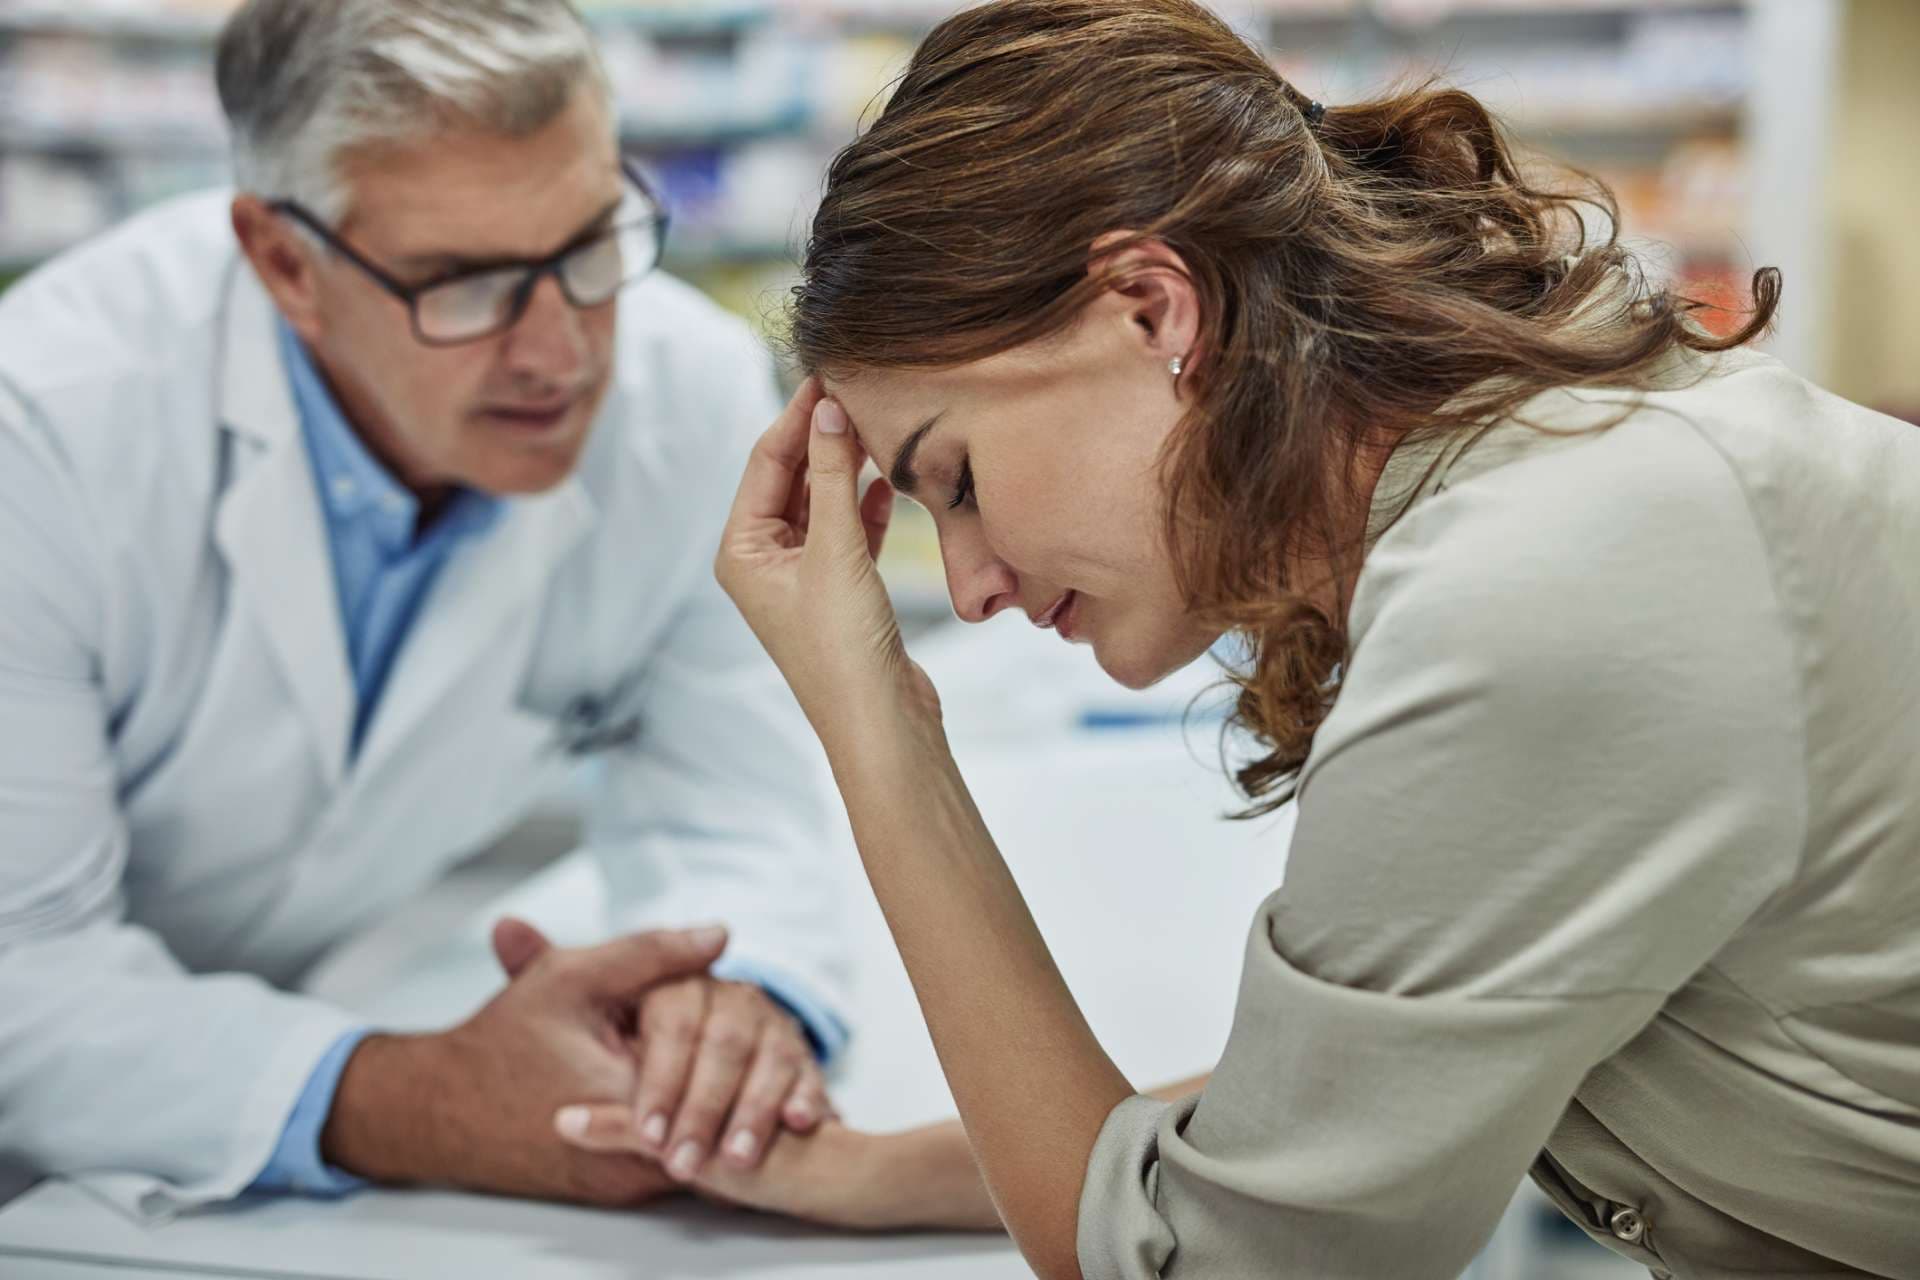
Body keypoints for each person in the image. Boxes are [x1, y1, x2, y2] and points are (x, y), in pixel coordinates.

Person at [552, 1, 1920, 1276]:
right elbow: (1364, 1093)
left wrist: (879, 723)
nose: (967, 588)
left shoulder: (1545, 585)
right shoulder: (1550, 478)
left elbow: (1218, 1258)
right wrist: (853, 1173)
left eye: (956, 479)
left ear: (1155, 309)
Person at [0, 0, 850, 1219]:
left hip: (292, 1046)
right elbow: (21, 970)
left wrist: (729, 1001)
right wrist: (419, 1097)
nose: (561, 352)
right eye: (467, 283)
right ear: (285, 263)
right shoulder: (44, 427)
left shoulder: (684, 393)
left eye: (590, 242)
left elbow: (737, 798)